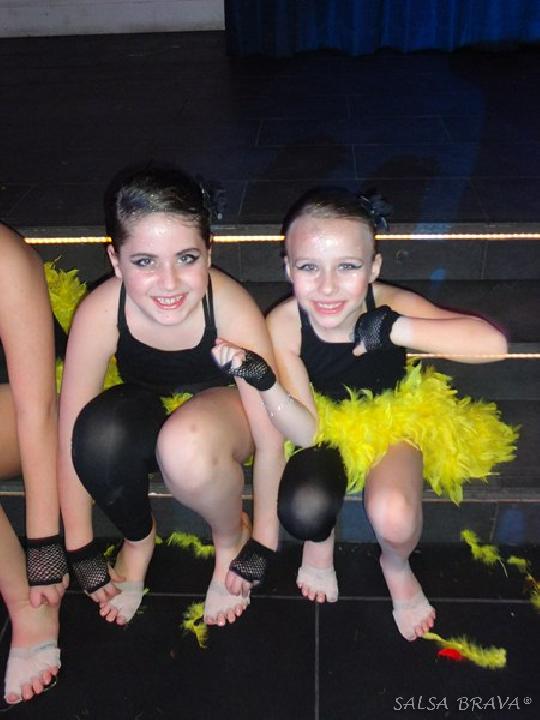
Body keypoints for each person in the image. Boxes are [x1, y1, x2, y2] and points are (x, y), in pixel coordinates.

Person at [214, 188, 517, 641]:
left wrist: (397, 328)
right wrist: (266, 382)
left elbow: (493, 345)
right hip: (322, 423)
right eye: (309, 268)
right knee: (304, 509)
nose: (328, 287)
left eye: (347, 267)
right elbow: (308, 431)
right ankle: (320, 543)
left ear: (373, 268)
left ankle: (395, 565)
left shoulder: (387, 302)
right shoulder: (285, 323)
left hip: (393, 420)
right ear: (288, 268)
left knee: (394, 515)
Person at [57, 166, 283, 629]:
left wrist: (264, 539)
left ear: (208, 252)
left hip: (226, 414)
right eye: (144, 262)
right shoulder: (101, 311)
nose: (169, 282)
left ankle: (228, 538)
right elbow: (69, 431)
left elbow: (270, 435)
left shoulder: (230, 307)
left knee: (186, 443)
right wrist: (78, 544)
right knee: (97, 434)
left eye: (186, 258)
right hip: (147, 405)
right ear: (115, 260)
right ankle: (138, 540)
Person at [0, 224, 68, 704]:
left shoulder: (2, 256)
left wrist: (44, 548)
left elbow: (37, 409)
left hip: (51, 400)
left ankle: (27, 605)